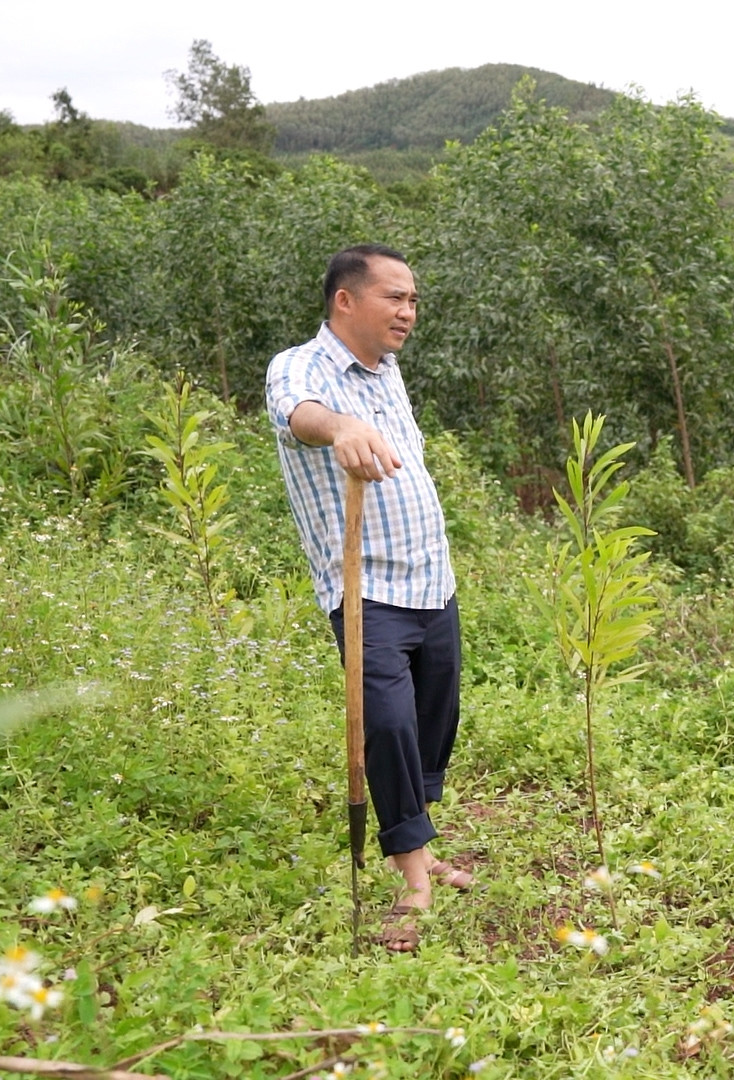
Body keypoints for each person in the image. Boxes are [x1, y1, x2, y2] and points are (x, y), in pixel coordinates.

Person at [266, 244, 468, 953]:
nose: (409, 312)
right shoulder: (300, 366)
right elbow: (300, 413)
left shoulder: (389, 371)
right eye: (395, 298)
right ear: (346, 300)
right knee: (387, 725)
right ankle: (413, 876)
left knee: (433, 719)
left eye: (413, 301)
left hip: (430, 578)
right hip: (367, 590)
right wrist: (343, 427)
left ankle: (424, 842)